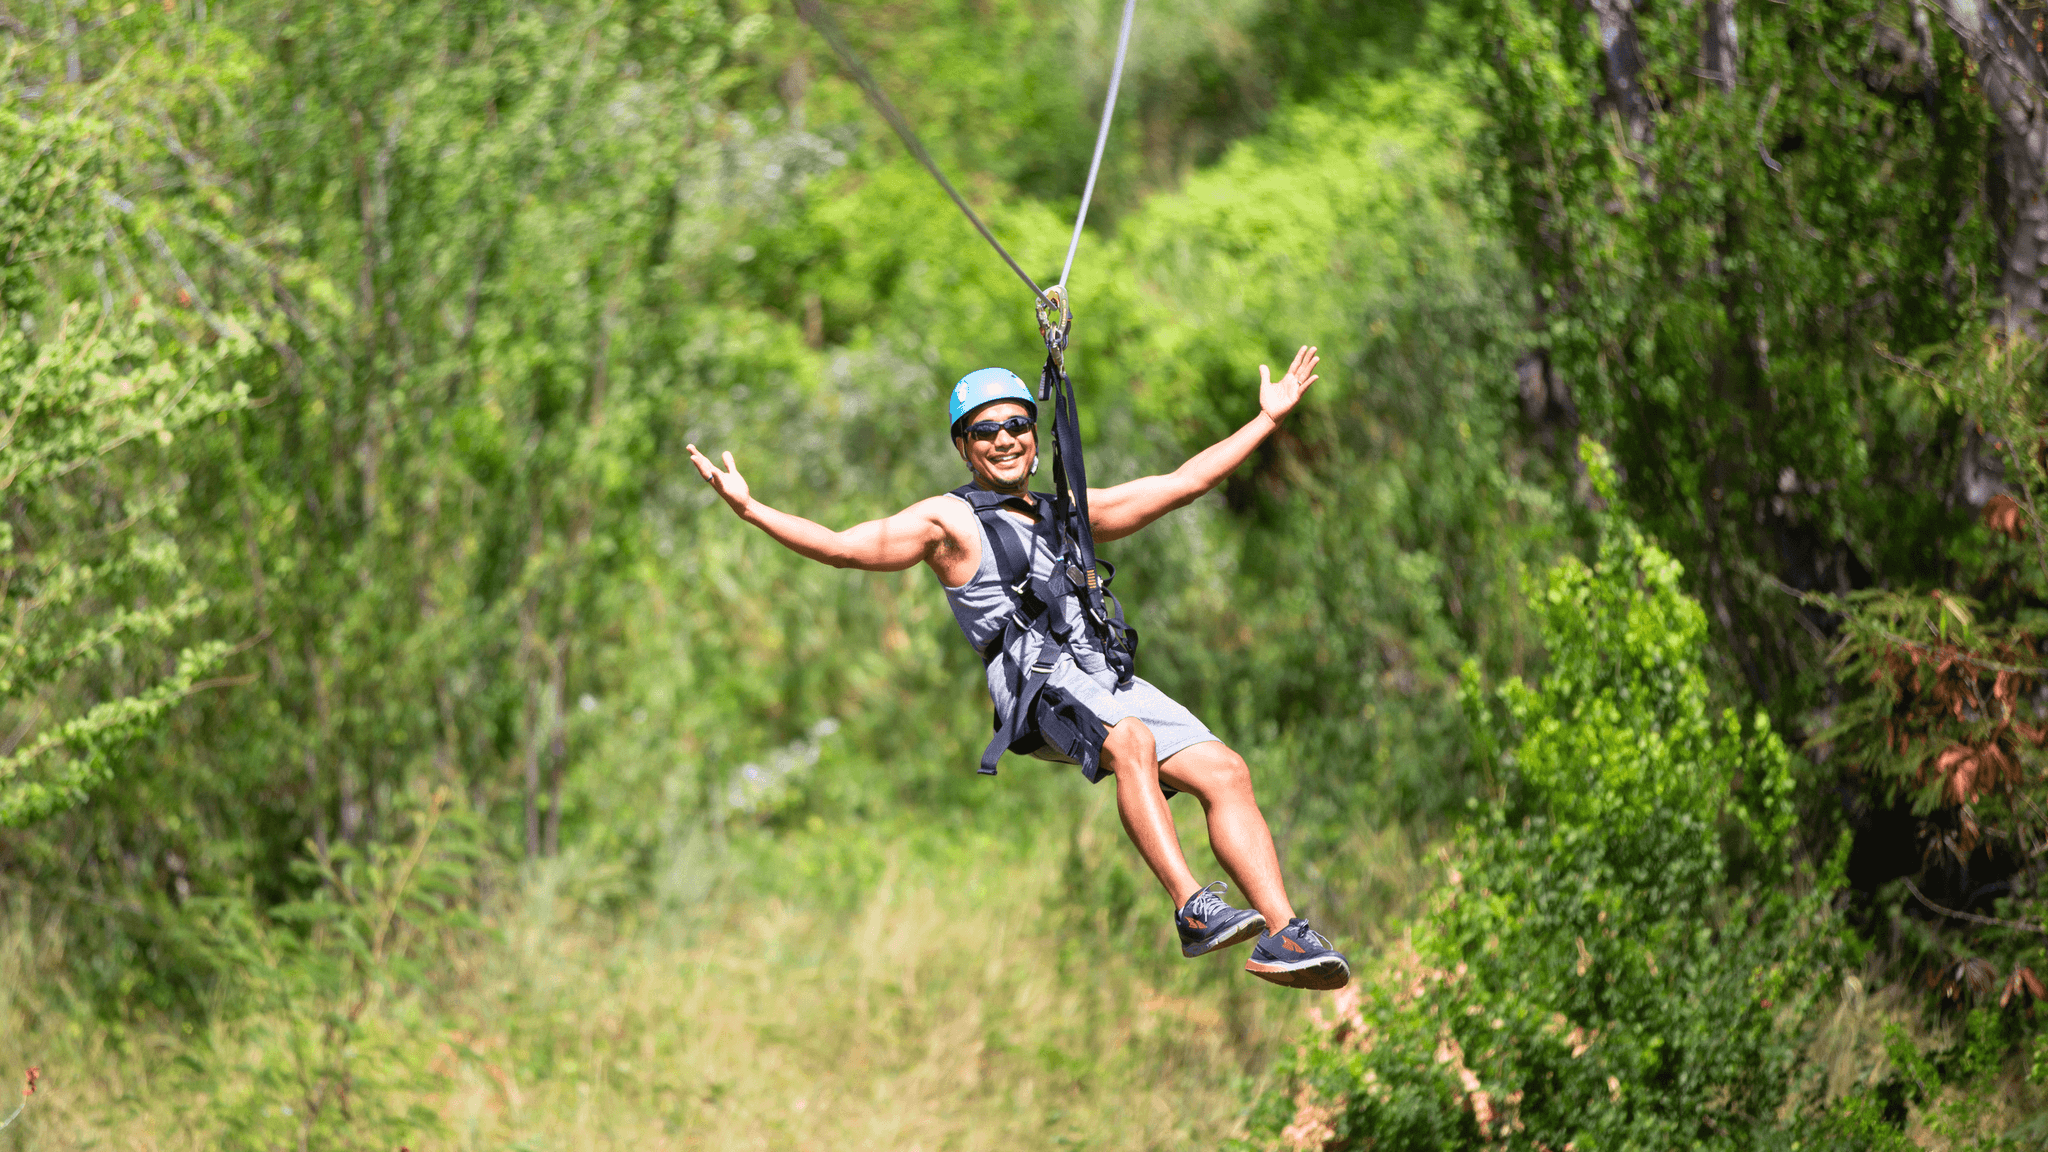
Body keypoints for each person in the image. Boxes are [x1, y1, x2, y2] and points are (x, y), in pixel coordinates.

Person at [686, 345, 1348, 989]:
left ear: (1035, 436)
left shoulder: (1067, 513)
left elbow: (1183, 484)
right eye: (984, 431)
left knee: (1226, 769)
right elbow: (841, 548)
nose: (1003, 440)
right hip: (1038, 683)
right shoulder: (948, 521)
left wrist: (1267, 419)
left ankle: (1283, 935)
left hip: (1102, 675)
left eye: (1016, 425)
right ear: (963, 446)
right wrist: (751, 509)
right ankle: (1190, 907)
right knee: (1132, 741)